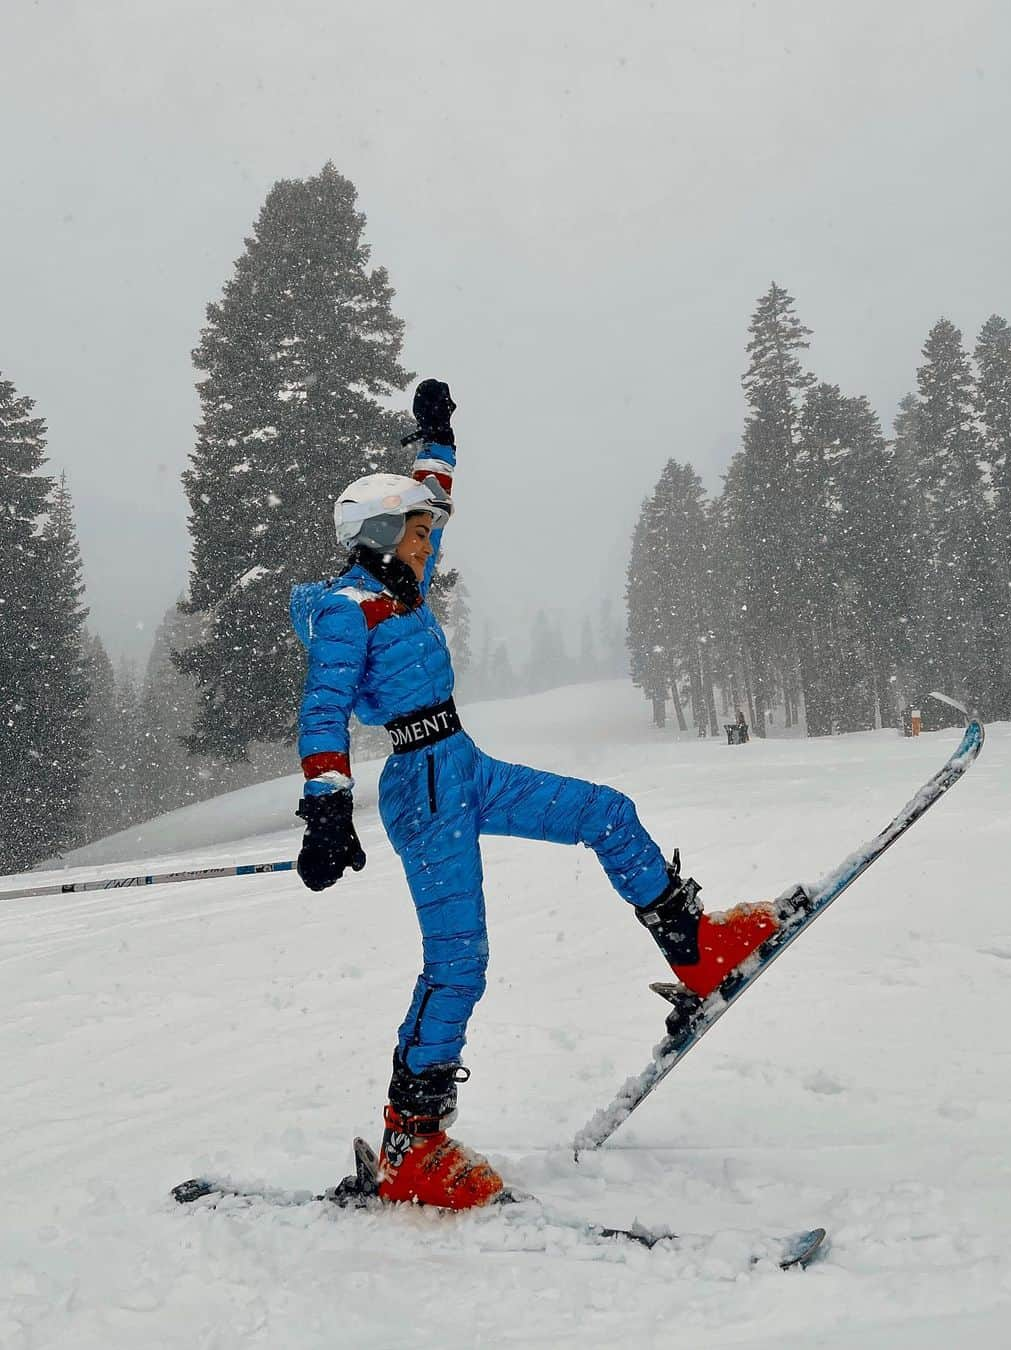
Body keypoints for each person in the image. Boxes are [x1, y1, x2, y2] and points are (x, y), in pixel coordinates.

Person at [290, 380, 780, 1210]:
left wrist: (435, 438)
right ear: (377, 536)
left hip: (464, 764)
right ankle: (412, 1141)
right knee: (460, 964)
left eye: (423, 536)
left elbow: (437, 501)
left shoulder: (402, 586)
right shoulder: (348, 610)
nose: (425, 546)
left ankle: (695, 949)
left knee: (605, 812)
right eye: (413, 535)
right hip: (423, 789)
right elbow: (322, 708)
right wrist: (327, 806)